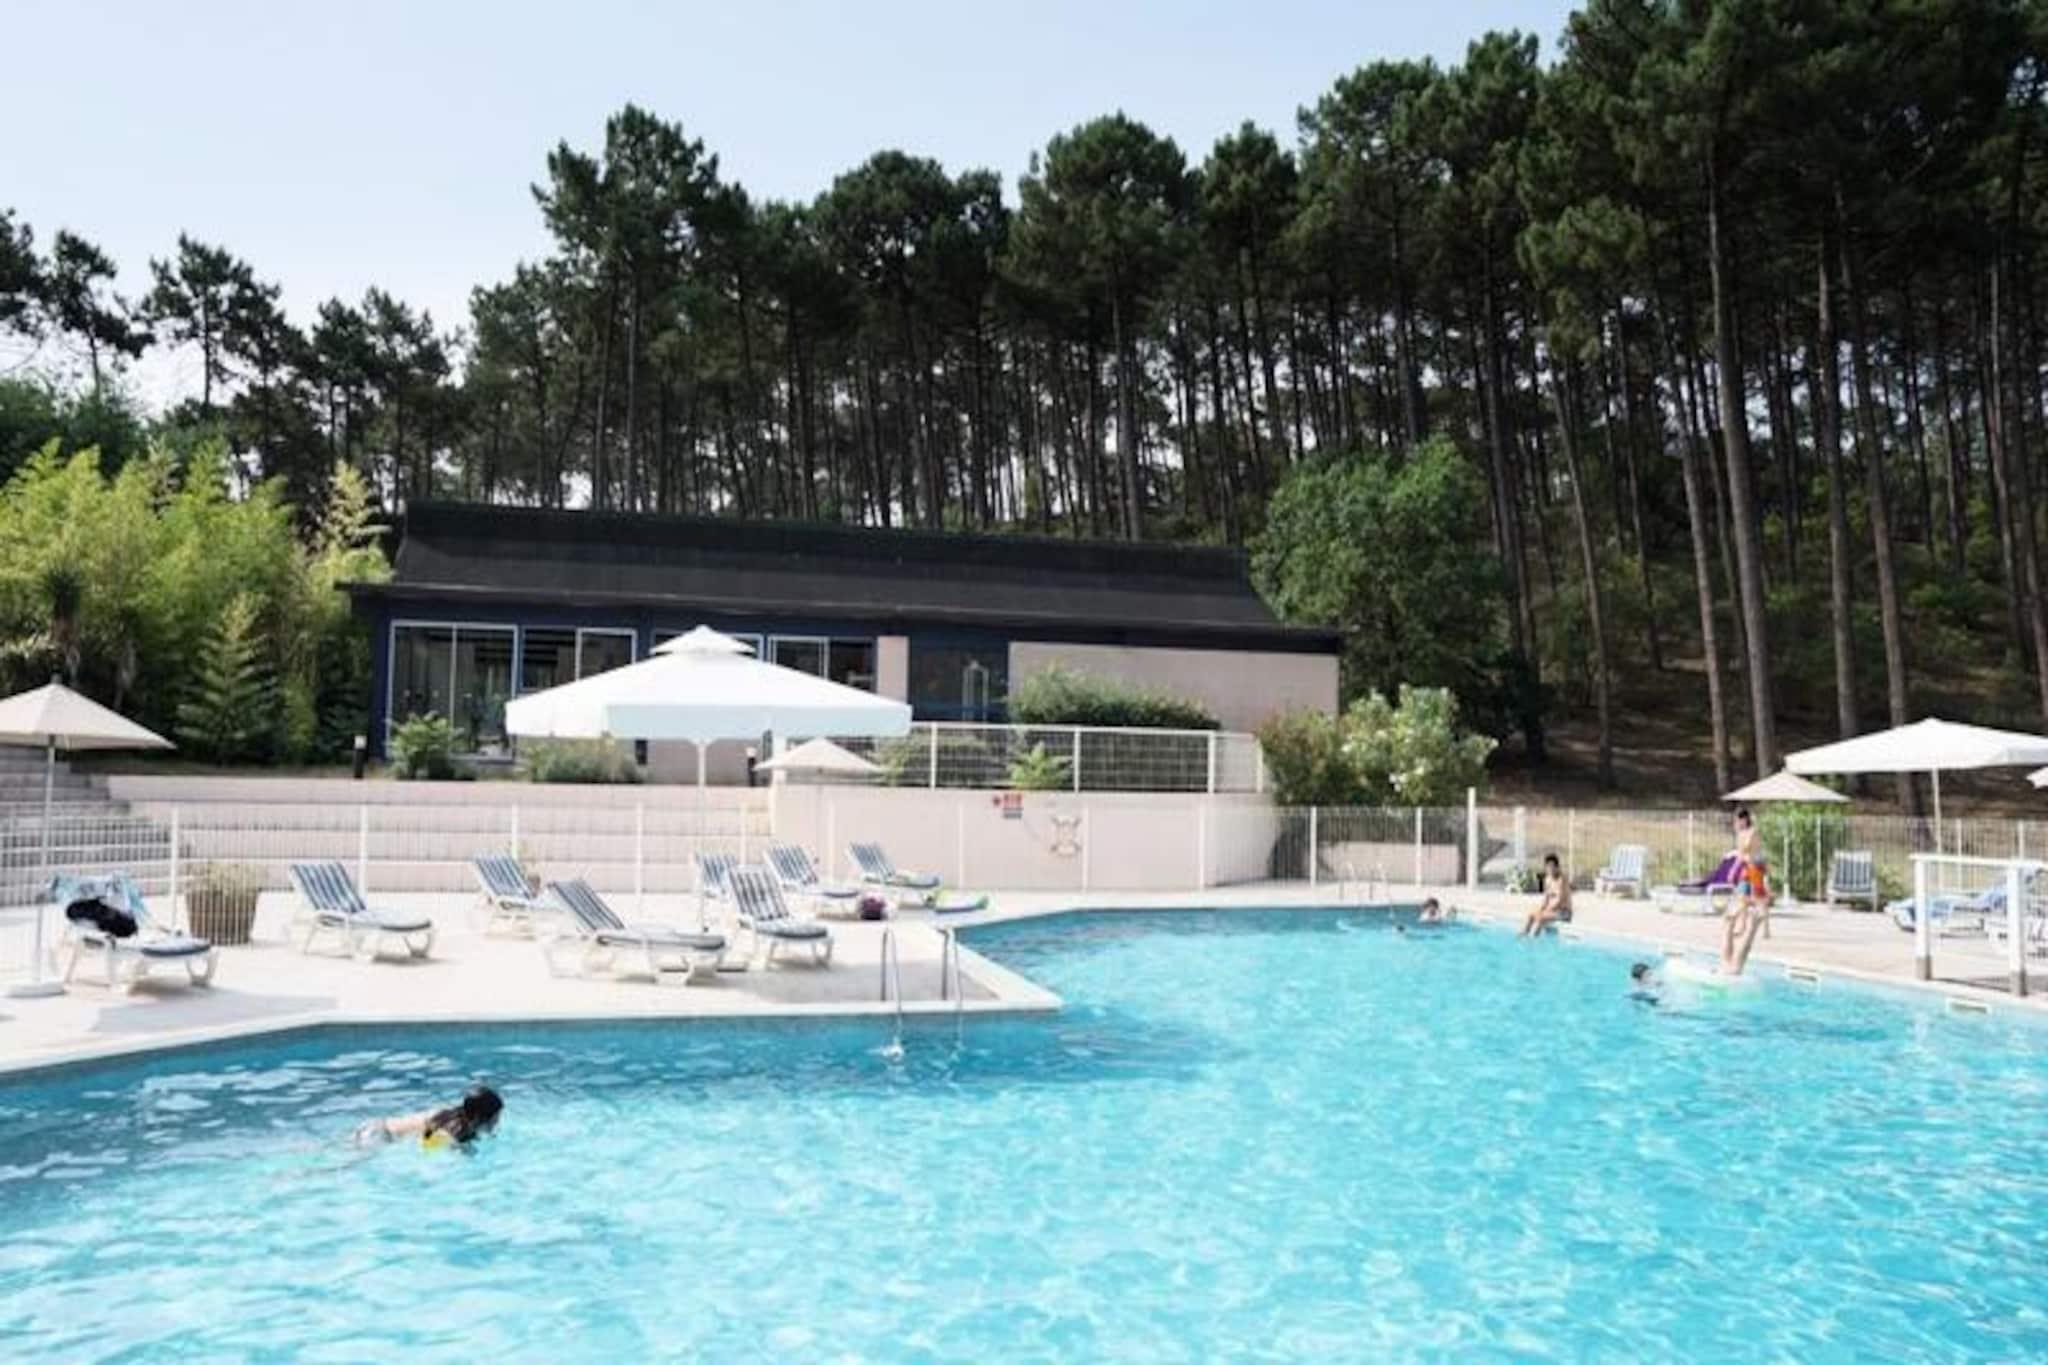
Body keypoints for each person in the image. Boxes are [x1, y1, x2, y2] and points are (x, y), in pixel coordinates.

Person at [355, 1085, 503, 1150]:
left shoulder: (454, 1115)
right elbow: (425, 1147)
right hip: (376, 1137)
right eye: (495, 1117)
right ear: (480, 1117)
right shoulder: (449, 1132)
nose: (497, 1121)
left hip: (374, 1126)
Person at [1520, 854, 1573, 937]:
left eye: (1552, 867)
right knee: (1531, 915)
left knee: (1540, 918)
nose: (1550, 869)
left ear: (1557, 867)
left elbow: (1560, 900)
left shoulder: (1562, 880)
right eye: (1548, 867)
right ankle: (1523, 936)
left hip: (1564, 912)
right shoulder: (1547, 879)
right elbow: (1545, 898)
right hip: (1552, 911)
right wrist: (1541, 909)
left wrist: (1546, 911)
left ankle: (1533, 940)